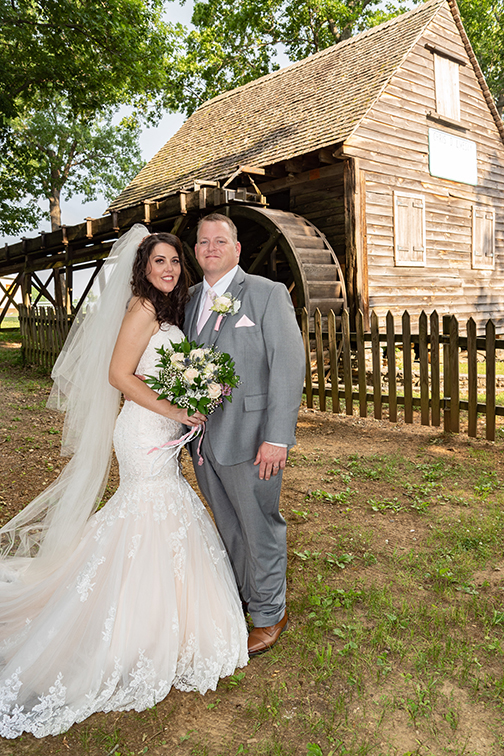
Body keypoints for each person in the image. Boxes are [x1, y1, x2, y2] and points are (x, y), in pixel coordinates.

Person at [0, 225, 248, 739]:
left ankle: (166, 617)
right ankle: (134, 624)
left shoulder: (165, 311)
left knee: (165, 506)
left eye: (175, 262)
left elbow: (164, 369)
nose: (170, 269)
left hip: (163, 424)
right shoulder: (140, 308)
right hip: (140, 430)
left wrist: (195, 392)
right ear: (143, 266)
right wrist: (175, 406)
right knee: (148, 507)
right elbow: (119, 374)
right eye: (160, 261)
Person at [185, 213, 305, 656]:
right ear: (195, 251)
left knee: (260, 528)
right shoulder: (190, 298)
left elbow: (288, 367)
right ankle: (241, 598)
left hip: (254, 439)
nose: (211, 248)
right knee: (229, 528)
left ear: (237, 249)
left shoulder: (267, 294)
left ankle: (271, 613)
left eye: (220, 240)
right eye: (202, 242)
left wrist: (278, 437)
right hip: (203, 441)